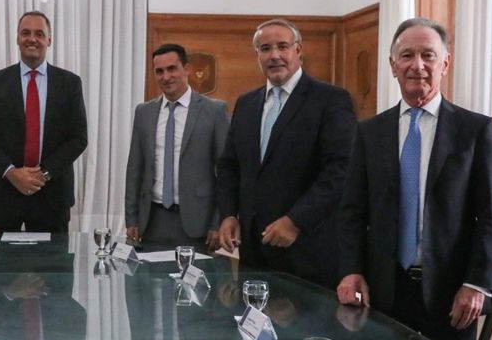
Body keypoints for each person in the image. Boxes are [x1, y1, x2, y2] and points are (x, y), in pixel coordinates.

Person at [335, 18, 492, 340]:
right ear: (393, 66)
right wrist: (350, 269)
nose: (418, 65)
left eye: (428, 55)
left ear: (445, 63)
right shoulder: (369, 132)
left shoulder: (475, 130)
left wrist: (477, 284)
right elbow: (352, 211)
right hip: (383, 290)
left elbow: (491, 216)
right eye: (407, 55)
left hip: (450, 291)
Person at [217, 19, 356, 288]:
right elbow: (229, 166)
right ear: (257, 55)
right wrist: (228, 214)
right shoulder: (246, 104)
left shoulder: (331, 100)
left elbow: (341, 170)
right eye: (265, 48)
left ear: (298, 50)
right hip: (254, 249)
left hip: (307, 247)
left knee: (304, 330)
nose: (275, 55)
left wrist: (296, 221)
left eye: (283, 46)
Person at [0, 11, 88, 234]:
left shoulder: (70, 83)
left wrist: (41, 175)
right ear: (17, 38)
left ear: (49, 40)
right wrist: (12, 172)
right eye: (25, 33)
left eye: (39, 34)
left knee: (53, 267)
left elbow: (78, 138)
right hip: (2, 192)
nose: (32, 39)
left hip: (52, 195)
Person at [124, 43, 229, 250]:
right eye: (159, 71)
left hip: (197, 222)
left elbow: (225, 173)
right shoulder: (144, 113)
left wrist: (219, 221)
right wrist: (131, 218)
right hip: (152, 220)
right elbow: (134, 168)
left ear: (186, 69)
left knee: (196, 281)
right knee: (149, 281)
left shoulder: (214, 111)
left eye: (172, 69)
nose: (166, 77)